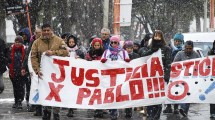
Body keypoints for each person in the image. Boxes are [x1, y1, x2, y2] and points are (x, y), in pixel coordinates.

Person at [31, 24, 69, 120]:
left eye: (48, 30)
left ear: (51, 30)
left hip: (57, 74)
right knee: (45, 92)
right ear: (42, 31)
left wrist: (53, 52)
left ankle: (56, 113)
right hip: (43, 73)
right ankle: (46, 112)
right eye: (44, 30)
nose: (46, 32)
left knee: (56, 93)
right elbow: (33, 57)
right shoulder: (36, 42)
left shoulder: (58, 40)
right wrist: (37, 70)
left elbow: (65, 52)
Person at [140, 30, 172, 119]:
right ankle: (150, 116)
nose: (157, 38)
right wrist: (152, 50)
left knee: (158, 98)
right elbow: (143, 57)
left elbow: (168, 62)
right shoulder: (149, 47)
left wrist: (167, 74)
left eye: (159, 36)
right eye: (155, 36)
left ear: (162, 37)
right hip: (149, 77)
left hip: (160, 78)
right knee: (149, 98)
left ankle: (156, 117)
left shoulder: (166, 49)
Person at [101, 35, 130, 120]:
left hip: (120, 76)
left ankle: (118, 110)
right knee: (111, 93)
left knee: (118, 93)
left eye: (116, 42)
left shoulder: (123, 52)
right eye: (112, 42)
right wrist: (103, 61)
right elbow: (102, 62)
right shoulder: (106, 52)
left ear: (118, 43)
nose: (114, 44)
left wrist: (127, 61)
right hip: (109, 76)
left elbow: (128, 62)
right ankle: (112, 111)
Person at [173, 40, 200, 117]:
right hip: (181, 78)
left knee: (188, 94)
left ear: (192, 48)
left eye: (190, 48)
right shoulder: (179, 54)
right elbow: (174, 64)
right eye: (187, 48)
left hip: (191, 78)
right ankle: (181, 108)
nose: (188, 50)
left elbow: (199, 65)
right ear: (184, 47)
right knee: (181, 93)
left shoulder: (196, 54)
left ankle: (185, 110)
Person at [22, 28, 43, 114]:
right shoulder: (32, 42)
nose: (37, 34)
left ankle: (40, 107)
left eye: (39, 32)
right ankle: (35, 106)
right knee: (33, 87)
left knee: (41, 88)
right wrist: (24, 67)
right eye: (36, 33)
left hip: (43, 69)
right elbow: (28, 55)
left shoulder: (44, 41)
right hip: (33, 69)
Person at [163, 33, 184, 114]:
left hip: (178, 73)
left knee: (177, 90)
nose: (177, 42)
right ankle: (168, 106)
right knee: (169, 89)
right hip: (169, 72)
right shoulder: (170, 49)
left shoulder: (182, 50)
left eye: (179, 41)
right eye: (176, 41)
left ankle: (175, 107)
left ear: (181, 41)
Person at [64, 34, 85, 117]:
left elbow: (84, 61)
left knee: (74, 92)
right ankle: (69, 108)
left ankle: (72, 108)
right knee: (69, 92)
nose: (71, 43)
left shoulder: (79, 51)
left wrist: (79, 59)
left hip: (76, 74)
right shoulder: (65, 51)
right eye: (70, 42)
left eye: (73, 42)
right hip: (67, 74)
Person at [85, 38, 104, 117]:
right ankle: (96, 109)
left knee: (101, 92)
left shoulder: (104, 52)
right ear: (93, 45)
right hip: (93, 76)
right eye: (95, 45)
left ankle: (101, 109)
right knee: (94, 92)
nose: (96, 47)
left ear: (101, 45)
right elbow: (86, 61)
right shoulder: (90, 53)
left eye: (98, 45)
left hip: (102, 76)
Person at [123, 40, 139, 118]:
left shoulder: (136, 55)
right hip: (125, 77)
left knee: (133, 94)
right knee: (127, 94)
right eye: (127, 48)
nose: (129, 49)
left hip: (133, 77)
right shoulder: (122, 56)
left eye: (130, 48)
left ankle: (139, 111)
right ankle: (127, 111)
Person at [9, 36, 25, 109]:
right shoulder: (11, 49)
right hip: (13, 71)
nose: (17, 43)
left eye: (19, 42)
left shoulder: (24, 49)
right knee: (15, 87)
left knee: (20, 87)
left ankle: (19, 101)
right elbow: (8, 59)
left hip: (21, 72)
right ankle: (16, 101)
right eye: (16, 42)